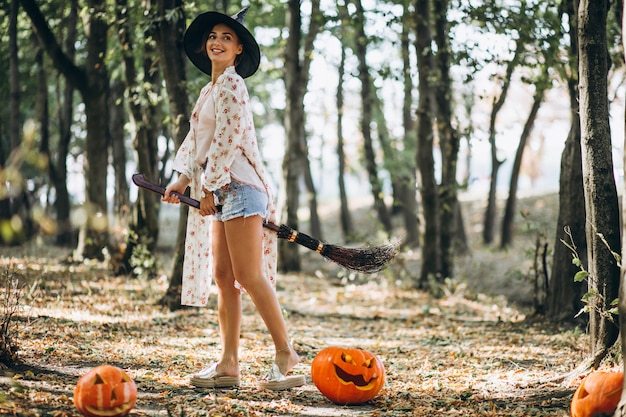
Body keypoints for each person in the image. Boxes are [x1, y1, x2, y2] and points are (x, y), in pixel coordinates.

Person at [162, 7, 305, 391]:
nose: (217, 42)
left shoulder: (232, 85)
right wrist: (181, 180)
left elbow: (227, 139)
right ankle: (228, 364)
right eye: (213, 36)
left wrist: (208, 187)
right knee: (223, 278)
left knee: (247, 275)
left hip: (239, 188)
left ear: (239, 48)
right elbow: (198, 143)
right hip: (221, 189)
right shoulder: (210, 89)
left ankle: (286, 353)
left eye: (227, 38)